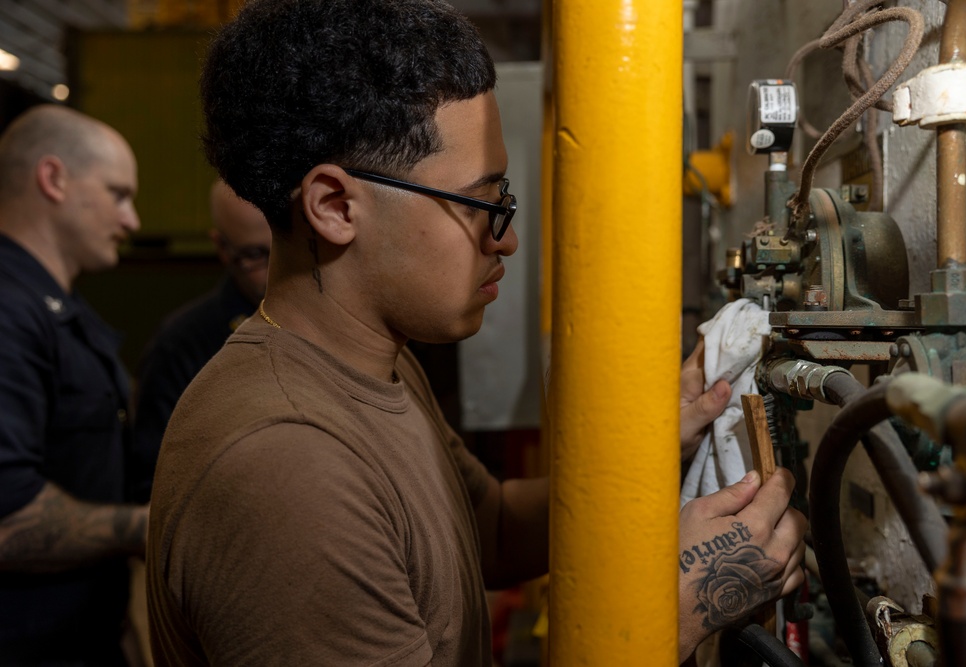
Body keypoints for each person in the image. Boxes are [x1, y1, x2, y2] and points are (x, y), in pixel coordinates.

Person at [145, 0, 806, 664]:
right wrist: (664, 614)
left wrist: (647, 453)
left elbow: (486, 526)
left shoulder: (376, 361)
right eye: (480, 203)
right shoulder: (286, 469)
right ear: (335, 206)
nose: (508, 238)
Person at [0, 105, 147, 665]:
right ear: (53, 179)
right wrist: (152, 527)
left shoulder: (61, 310)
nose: (133, 221)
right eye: (118, 194)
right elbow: (8, 520)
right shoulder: (10, 312)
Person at [131, 179, 271, 502]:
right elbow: (152, 486)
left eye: (285, 245)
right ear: (222, 248)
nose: (277, 267)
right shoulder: (182, 344)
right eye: (255, 255)